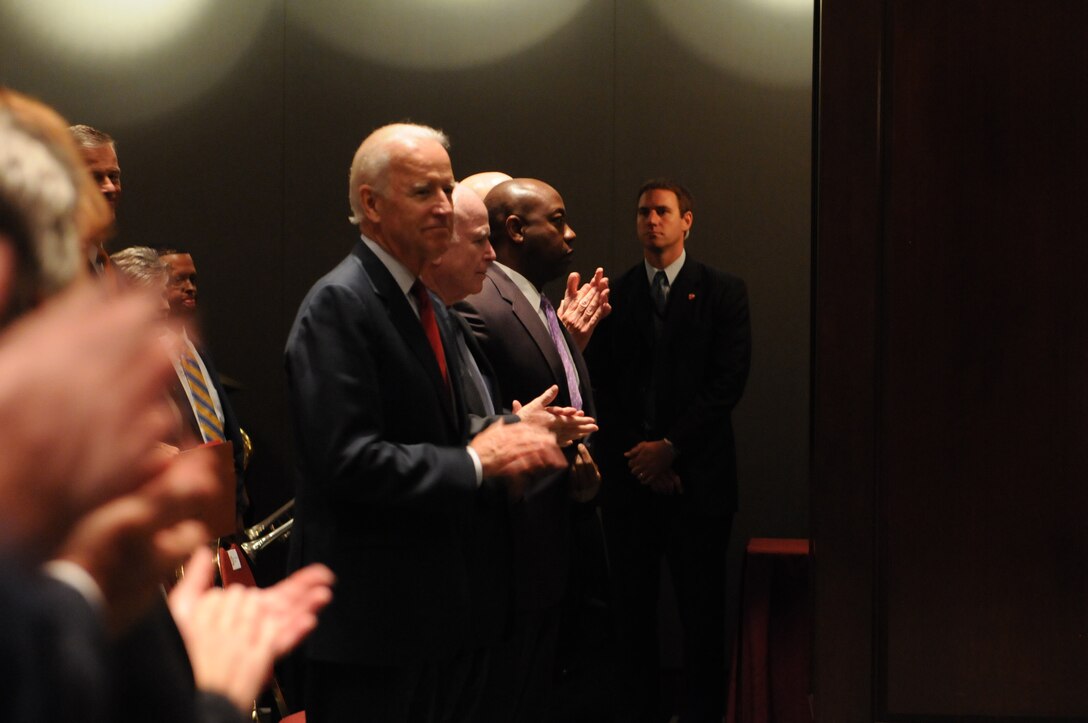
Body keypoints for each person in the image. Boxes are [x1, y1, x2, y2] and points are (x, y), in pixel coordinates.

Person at [285, 123, 566, 723]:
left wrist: (508, 432)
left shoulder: (425, 303)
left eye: (447, 188)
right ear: (370, 204)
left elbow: (428, 431)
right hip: (371, 630)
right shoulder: (341, 304)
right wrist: (475, 459)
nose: (444, 205)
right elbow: (348, 462)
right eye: (423, 192)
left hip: (428, 622)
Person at [586, 179, 751, 723]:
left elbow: (726, 384)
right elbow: (603, 387)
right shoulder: (618, 294)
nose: (651, 221)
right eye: (643, 212)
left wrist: (671, 450)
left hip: (698, 484)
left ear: (687, 221)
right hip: (632, 481)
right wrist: (643, 456)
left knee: (702, 618)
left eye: (662, 211)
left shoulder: (723, 291)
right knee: (631, 617)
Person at [460, 178, 605, 721]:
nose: (571, 233)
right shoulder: (479, 300)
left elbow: (557, 391)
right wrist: (528, 430)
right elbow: (471, 415)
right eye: (558, 219)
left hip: (560, 522)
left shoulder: (539, 304)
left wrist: (568, 341)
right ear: (515, 229)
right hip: (516, 541)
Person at [157, 247, 249, 525]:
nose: (190, 288)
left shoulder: (197, 349)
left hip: (226, 501)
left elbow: (221, 423)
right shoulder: (149, 360)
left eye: (193, 280)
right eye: (179, 280)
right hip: (184, 508)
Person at [68, 124, 119, 272]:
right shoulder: (40, 264)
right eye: (95, 177)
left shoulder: (110, 269)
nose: (110, 187)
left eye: (113, 176)